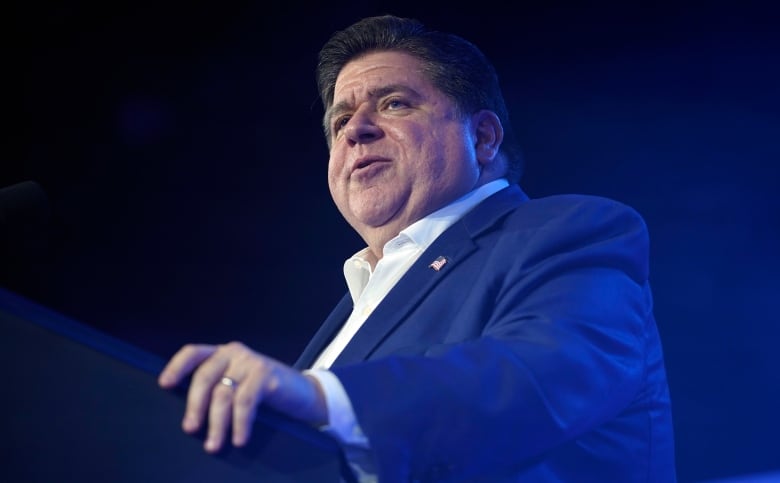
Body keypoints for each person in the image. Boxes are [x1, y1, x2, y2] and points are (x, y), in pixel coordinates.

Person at [158, 14, 676, 482]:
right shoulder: (354, 304)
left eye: (393, 103)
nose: (356, 130)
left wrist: (318, 395)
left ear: (484, 139)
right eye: (339, 122)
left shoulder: (568, 231)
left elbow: (543, 375)